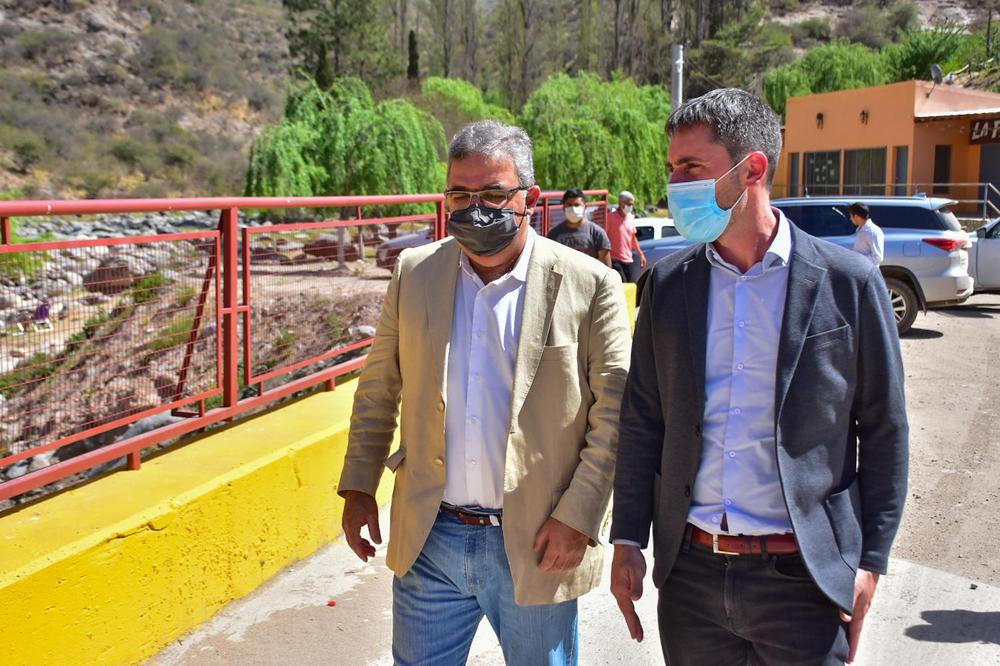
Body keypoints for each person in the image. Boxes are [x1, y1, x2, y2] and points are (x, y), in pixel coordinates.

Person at [609, 88, 908, 665]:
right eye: (672, 168)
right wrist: (628, 538)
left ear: (752, 169)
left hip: (804, 579)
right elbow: (643, 418)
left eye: (691, 167)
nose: (675, 184)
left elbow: (885, 427)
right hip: (691, 578)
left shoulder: (848, 283)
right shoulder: (667, 286)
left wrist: (871, 561)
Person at [339, 119, 631, 665]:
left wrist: (578, 517)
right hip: (431, 537)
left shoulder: (590, 285)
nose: (476, 209)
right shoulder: (414, 273)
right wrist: (359, 487)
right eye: (460, 195)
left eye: (494, 195)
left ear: (531, 199)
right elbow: (379, 387)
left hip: (538, 539)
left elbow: (614, 417)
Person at [546, 188, 612, 267]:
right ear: (563, 208)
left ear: (585, 206)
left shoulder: (597, 233)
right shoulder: (554, 235)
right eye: (569, 205)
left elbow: (607, 268)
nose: (573, 208)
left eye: (577, 205)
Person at [604, 191, 647, 283]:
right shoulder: (610, 218)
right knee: (622, 284)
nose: (630, 206)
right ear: (620, 203)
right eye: (628, 204)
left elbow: (632, 238)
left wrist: (641, 254)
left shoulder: (631, 217)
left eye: (632, 204)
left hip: (628, 260)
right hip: (615, 259)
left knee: (630, 285)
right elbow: (604, 237)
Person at [849, 202, 884, 266]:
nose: (850, 219)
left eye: (851, 216)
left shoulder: (872, 231)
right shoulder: (861, 229)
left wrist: (858, 260)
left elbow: (878, 257)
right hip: (860, 269)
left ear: (856, 216)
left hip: (868, 271)